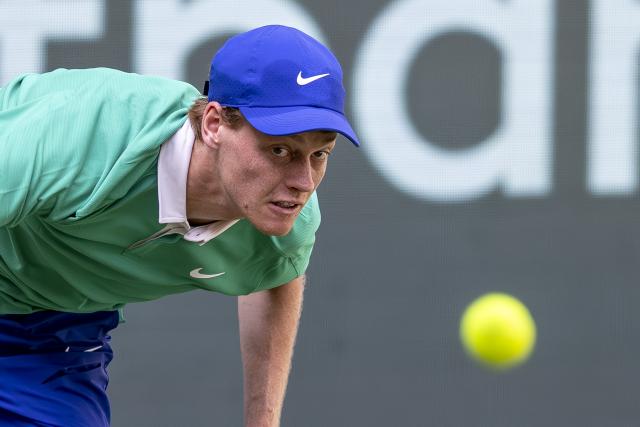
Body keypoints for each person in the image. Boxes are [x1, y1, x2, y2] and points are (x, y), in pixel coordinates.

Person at [0, 25, 360, 427]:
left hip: (53, 332)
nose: (303, 183)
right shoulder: (76, 139)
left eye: (320, 154)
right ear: (214, 124)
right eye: (280, 149)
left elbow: (277, 275)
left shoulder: (287, 219)